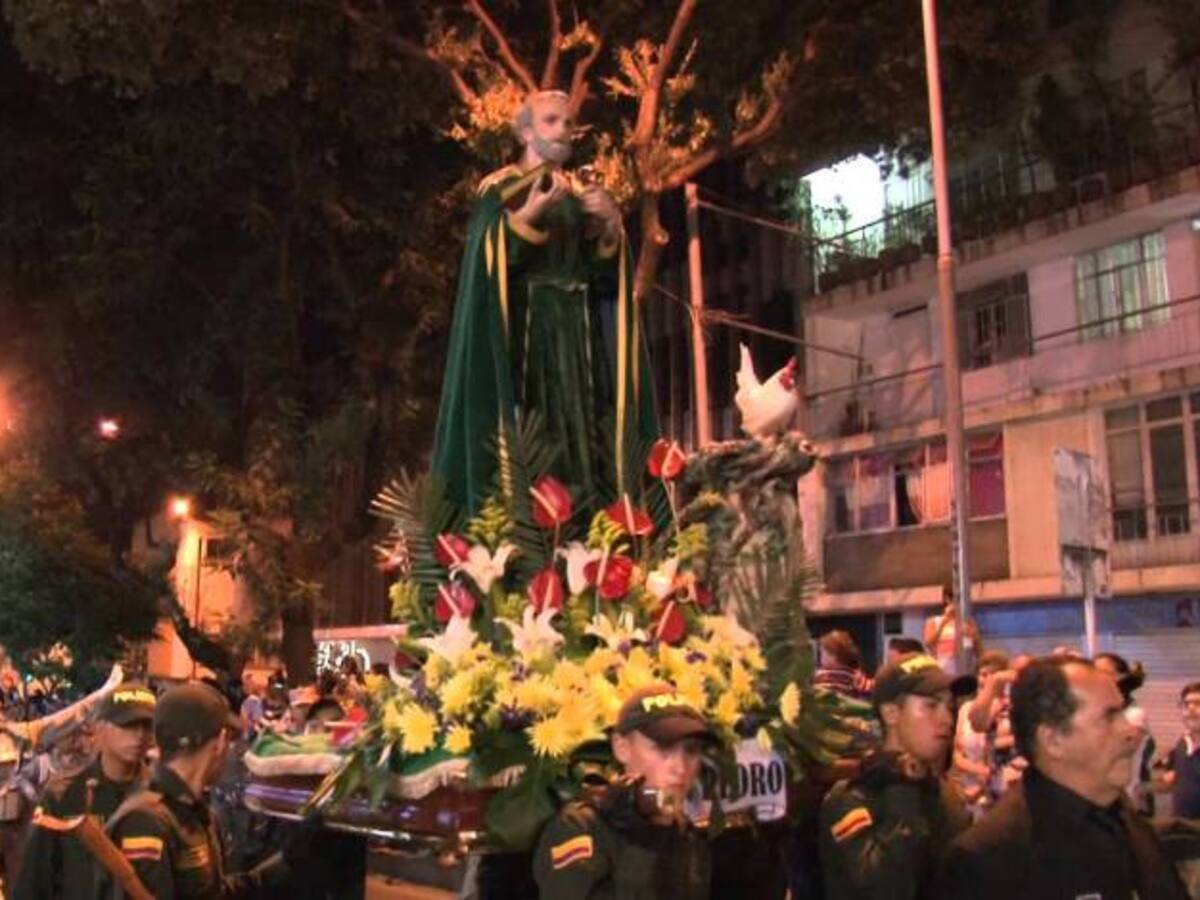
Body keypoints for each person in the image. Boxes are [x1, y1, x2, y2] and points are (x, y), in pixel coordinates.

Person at [430, 89, 657, 512]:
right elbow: (486, 259)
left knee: (583, 435)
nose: (563, 131)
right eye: (552, 121)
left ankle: (589, 527)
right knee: (537, 437)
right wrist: (529, 214)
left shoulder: (578, 194)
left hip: (579, 337)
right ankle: (529, 531)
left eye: (568, 123)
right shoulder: (499, 189)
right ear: (526, 132)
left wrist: (611, 226)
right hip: (525, 336)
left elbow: (602, 276)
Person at [936, 656, 1189, 900]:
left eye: (1123, 713)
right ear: (1053, 740)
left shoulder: (1126, 824)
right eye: (1109, 717)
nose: (1131, 731)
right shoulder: (991, 860)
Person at [97, 681, 317, 899]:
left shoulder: (192, 812)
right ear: (220, 742)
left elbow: (217, 893)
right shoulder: (146, 820)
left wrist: (289, 860)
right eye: (230, 739)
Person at [533, 686, 715, 899]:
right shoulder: (580, 828)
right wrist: (640, 834)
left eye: (691, 750)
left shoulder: (687, 829)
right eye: (663, 747)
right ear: (622, 748)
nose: (681, 767)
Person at [818, 653, 974, 900]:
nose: (947, 718)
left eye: (949, 706)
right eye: (931, 705)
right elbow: (885, 889)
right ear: (891, 713)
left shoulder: (947, 794)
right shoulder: (850, 799)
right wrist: (901, 787)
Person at [12, 685, 155, 899]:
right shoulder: (64, 797)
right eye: (127, 725)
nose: (139, 735)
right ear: (99, 729)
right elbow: (33, 883)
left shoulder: (162, 797)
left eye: (147, 726)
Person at [950, 651, 1011, 818]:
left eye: (993, 675)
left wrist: (984, 781)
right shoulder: (966, 709)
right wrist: (978, 771)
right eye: (983, 674)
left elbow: (1002, 753)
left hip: (1002, 793)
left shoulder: (1010, 710)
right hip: (969, 794)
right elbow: (956, 753)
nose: (987, 679)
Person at [1095, 651, 1156, 815]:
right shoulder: (1098, 713)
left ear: (1122, 677)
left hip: (1126, 802)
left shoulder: (1134, 715)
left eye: (1103, 673)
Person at [1162, 680, 1200, 818]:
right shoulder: (1182, 743)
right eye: (1185, 704)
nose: (1190, 708)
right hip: (1183, 830)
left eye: (1198, 703)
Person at [923, 587, 982, 674]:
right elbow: (929, 643)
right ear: (947, 599)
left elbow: (979, 651)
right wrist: (944, 621)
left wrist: (975, 637)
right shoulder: (933, 621)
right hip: (942, 669)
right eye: (958, 599)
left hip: (965, 669)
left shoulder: (968, 621)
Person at [813, 631, 873, 702]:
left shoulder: (822, 675)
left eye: (822, 652)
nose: (820, 656)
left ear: (833, 655)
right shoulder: (856, 676)